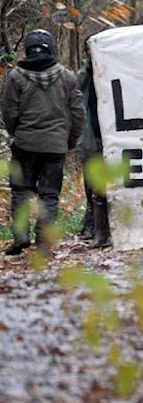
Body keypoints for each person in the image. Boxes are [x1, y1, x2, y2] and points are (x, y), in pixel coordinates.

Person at [2, 30, 84, 255]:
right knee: (49, 195)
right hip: (55, 146)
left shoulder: (16, 77)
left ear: (28, 48)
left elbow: (9, 113)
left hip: (24, 146)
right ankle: (44, 243)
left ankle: (20, 237)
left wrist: (16, 133)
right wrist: (69, 141)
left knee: (20, 192)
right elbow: (78, 114)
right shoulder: (67, 77)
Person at [76, 44, 110, 247]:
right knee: (93, 181)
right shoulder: (84, 75)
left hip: (112, 133)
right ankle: (93, 225)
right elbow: (77, 93)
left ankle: (103, 227)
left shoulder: (116, 67)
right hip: (93, 135)